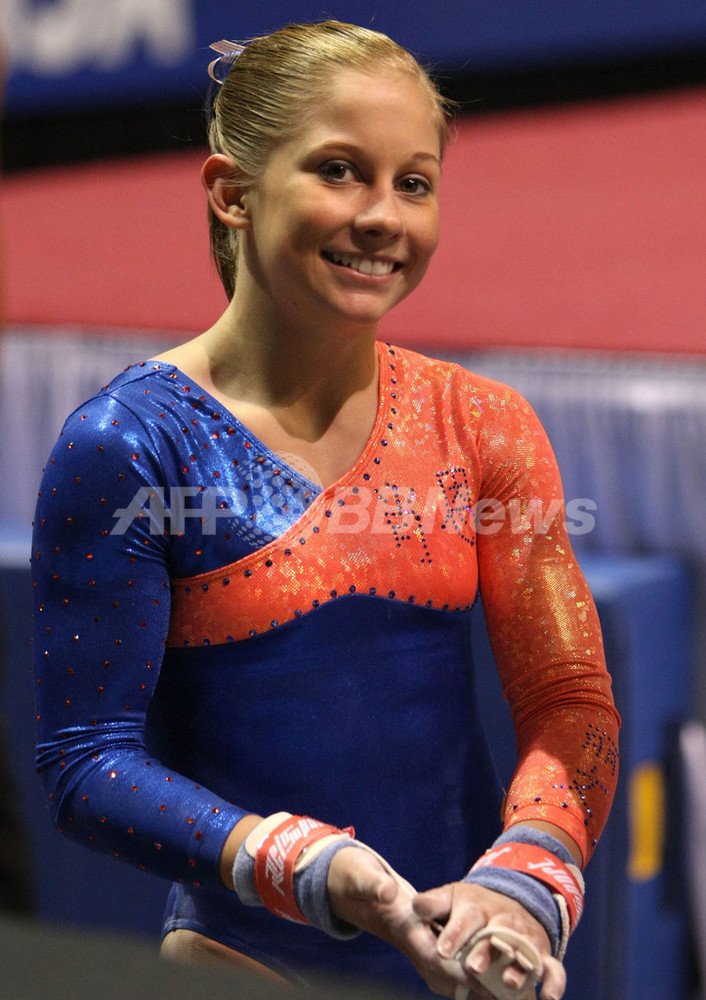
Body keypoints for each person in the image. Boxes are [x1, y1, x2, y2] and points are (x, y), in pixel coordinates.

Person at [31, 20, 619, 1000]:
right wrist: (302, 863)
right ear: (231, 192)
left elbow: (569, 700)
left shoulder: (482, 426)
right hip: (245, 963)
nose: (383, 215)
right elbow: (85, 760)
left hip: (467, 958)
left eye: (413, 182)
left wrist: (523, 880)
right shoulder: (129, 446)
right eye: (340, 171)